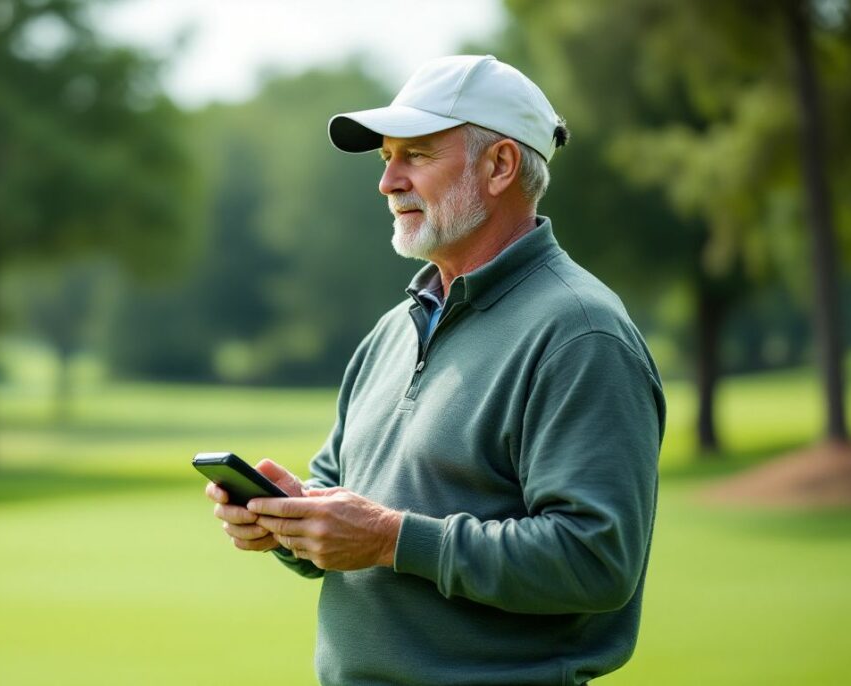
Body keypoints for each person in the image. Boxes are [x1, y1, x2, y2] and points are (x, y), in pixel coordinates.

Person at [204, 54, 666, 686]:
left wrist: (392, 540)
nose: (388, 181)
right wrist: (288, 522)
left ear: (500, 166)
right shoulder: (392, 332)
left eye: (416, 155)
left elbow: (595, 560)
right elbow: (347, 515)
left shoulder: (581, 333)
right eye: (385, 157)